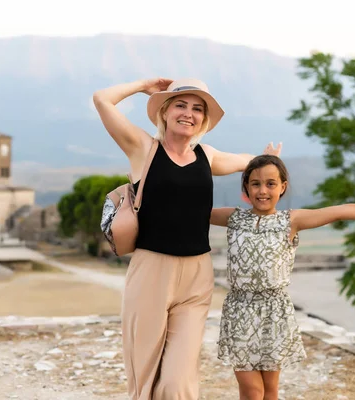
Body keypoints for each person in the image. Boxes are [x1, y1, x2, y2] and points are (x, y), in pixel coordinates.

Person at [92, 77, 281, 400]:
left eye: (197, 109)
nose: (189, 114)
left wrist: (267, 161)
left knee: (179, 382)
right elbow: (102, 99)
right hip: (151, 271)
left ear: (204, 119)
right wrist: (143, 86)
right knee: (145, 378)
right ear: (164, 112)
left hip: (197, 277)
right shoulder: (143, 148)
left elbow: (250, 163)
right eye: (180, 105)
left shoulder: (207, 156)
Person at [210, 154, 355, 400]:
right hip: (240, 311)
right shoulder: (234, 218)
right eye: (255, 183)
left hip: (274, 312)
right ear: (246, 186)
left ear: (283, 187)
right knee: (252, 391)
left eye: (270, 183)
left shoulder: (291, 220)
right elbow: (190, 210)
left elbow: (341, 211)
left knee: (270, 392)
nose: (262, 191)